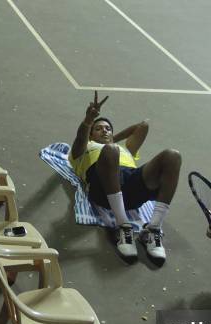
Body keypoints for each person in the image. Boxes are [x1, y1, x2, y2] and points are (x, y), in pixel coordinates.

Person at [69, 92, 181, 265]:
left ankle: (152, 229)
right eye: (98, 129)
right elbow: (79, 140)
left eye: (108, 128)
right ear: (90, 136)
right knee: (111, 150)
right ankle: (123, 227)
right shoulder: (85, 148)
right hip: (103, 189)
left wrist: (112, 139)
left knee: (172, 156)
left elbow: (143, 126)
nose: (104, 130)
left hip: (131, 188)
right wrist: (88, 121)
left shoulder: (125, 148)